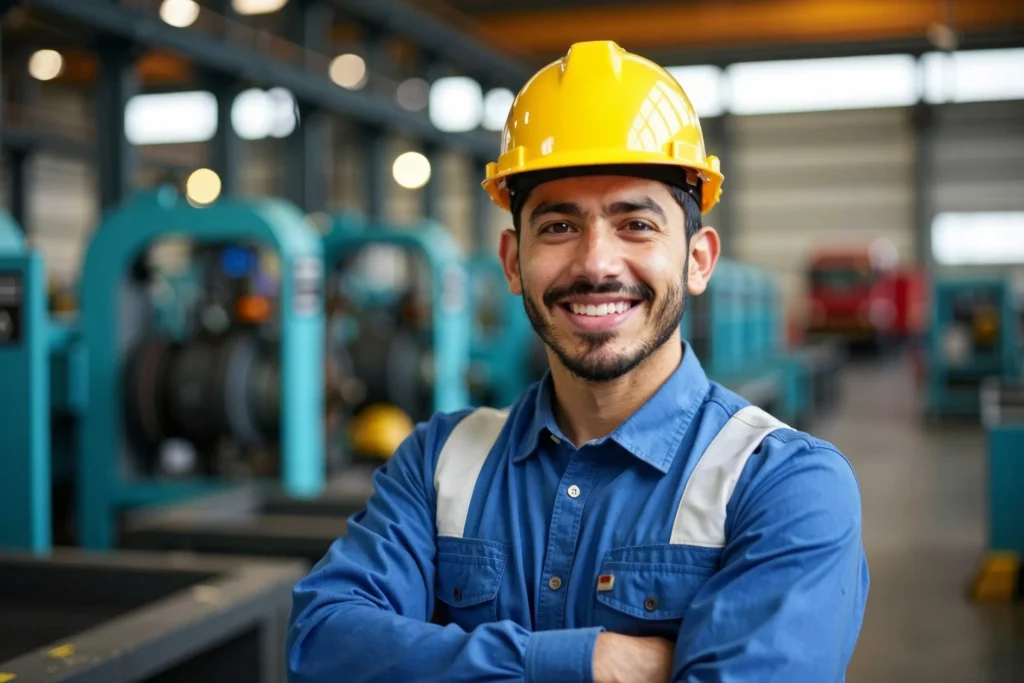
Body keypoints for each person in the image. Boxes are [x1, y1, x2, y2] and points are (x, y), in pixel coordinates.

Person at [287, 40, 869, 683]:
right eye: (559, 227)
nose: (596, 264)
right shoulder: (438, 461)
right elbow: (322, 644)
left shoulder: (783, 486)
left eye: (637, 226)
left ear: (698, 259)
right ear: (513, 261)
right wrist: (590, 660)